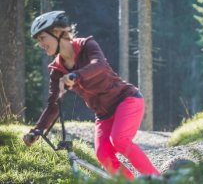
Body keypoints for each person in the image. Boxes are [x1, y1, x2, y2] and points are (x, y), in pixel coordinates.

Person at [23, 11, 160, 180]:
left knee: (119, 140)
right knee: (103, 154)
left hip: (127, 100)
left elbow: (99, 65)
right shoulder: (57, 71)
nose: (41, 44)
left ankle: (159, 180)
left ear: (57, 32)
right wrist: (37, 130)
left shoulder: (87, 45)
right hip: (103, 114)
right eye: (38, 40)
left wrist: (76, 75)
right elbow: (54, 105)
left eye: (42, 38)